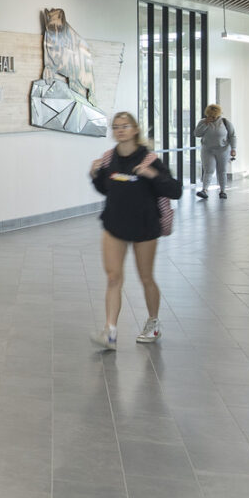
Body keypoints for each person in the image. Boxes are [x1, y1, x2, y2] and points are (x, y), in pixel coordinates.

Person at [90, 112, 181, 349]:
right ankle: (110, 330)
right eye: (116, 127)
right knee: (113, 277)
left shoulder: (149, 159)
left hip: (144, 226)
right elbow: (106, 189)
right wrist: (95, 175)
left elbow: (175, 190)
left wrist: (152, 174)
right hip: (114, 225)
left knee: (146, 277)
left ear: (135, 130)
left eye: (125, 126)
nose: (120, 130)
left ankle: (153, 323)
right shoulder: (109, 158)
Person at [192, 104, 236, 199]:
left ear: (218, 115)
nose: (211, 117)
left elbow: (232, 136)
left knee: (222, 171)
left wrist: (233, 149)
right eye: (209, 115)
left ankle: (223, 191)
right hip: (208, 150)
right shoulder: (203, 122)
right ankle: (204, 190)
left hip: (223, 149)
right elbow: (197, 133)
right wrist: (205, 124)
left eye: (213, 116)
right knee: (208, 170)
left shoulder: (225, 122)